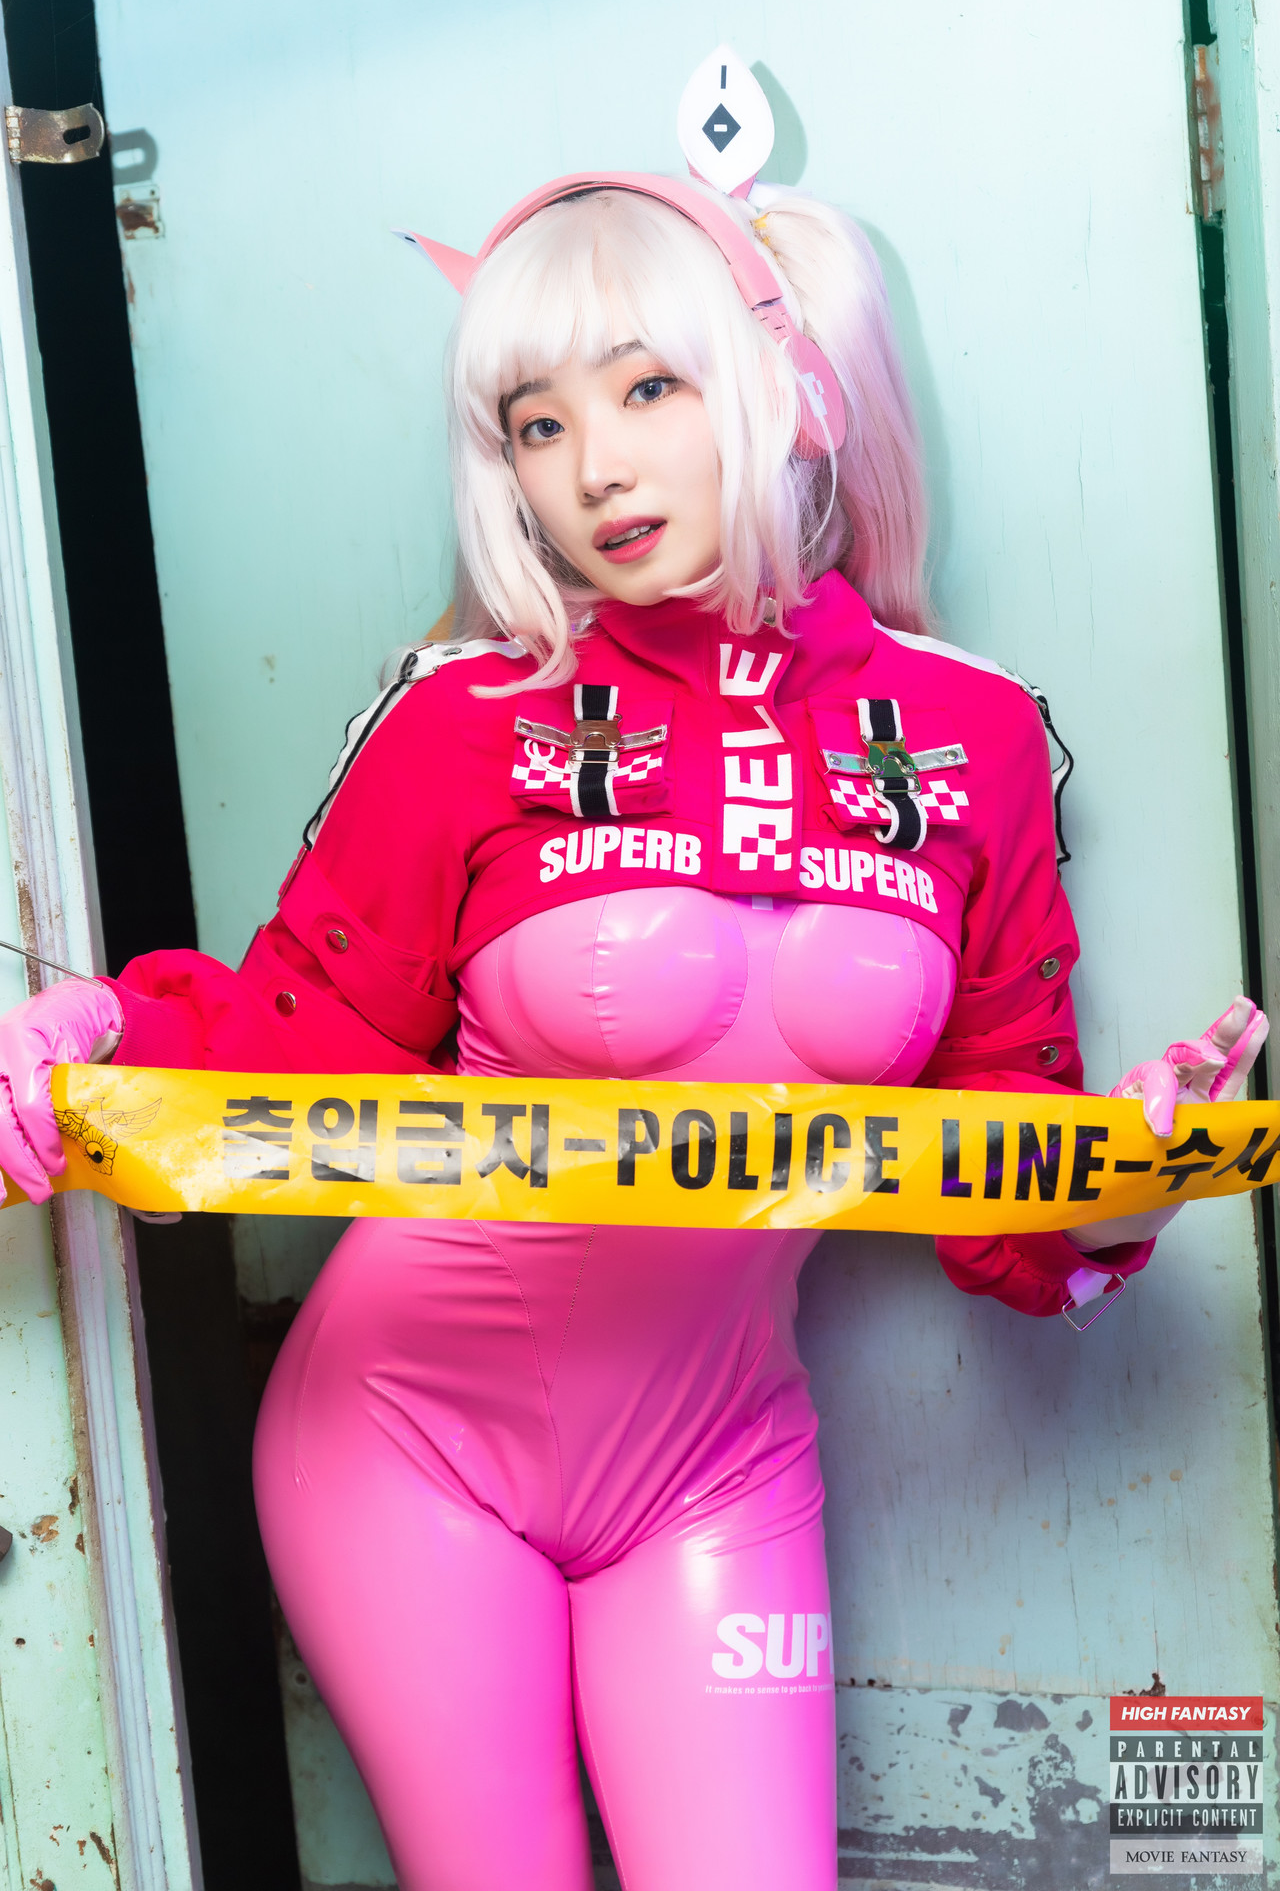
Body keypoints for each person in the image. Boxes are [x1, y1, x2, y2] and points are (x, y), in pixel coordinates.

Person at [0, 126, 1264, 1890]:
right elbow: (307, 1034)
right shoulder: (462, 720)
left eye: (648, 387)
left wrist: (1134, 1175)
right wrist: (96, 1034)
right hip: (405, 1442)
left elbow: (1000, 1168)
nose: (591, 466)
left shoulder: (971, 737)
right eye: (535, 424)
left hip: (719, 1463)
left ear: (792, 392)